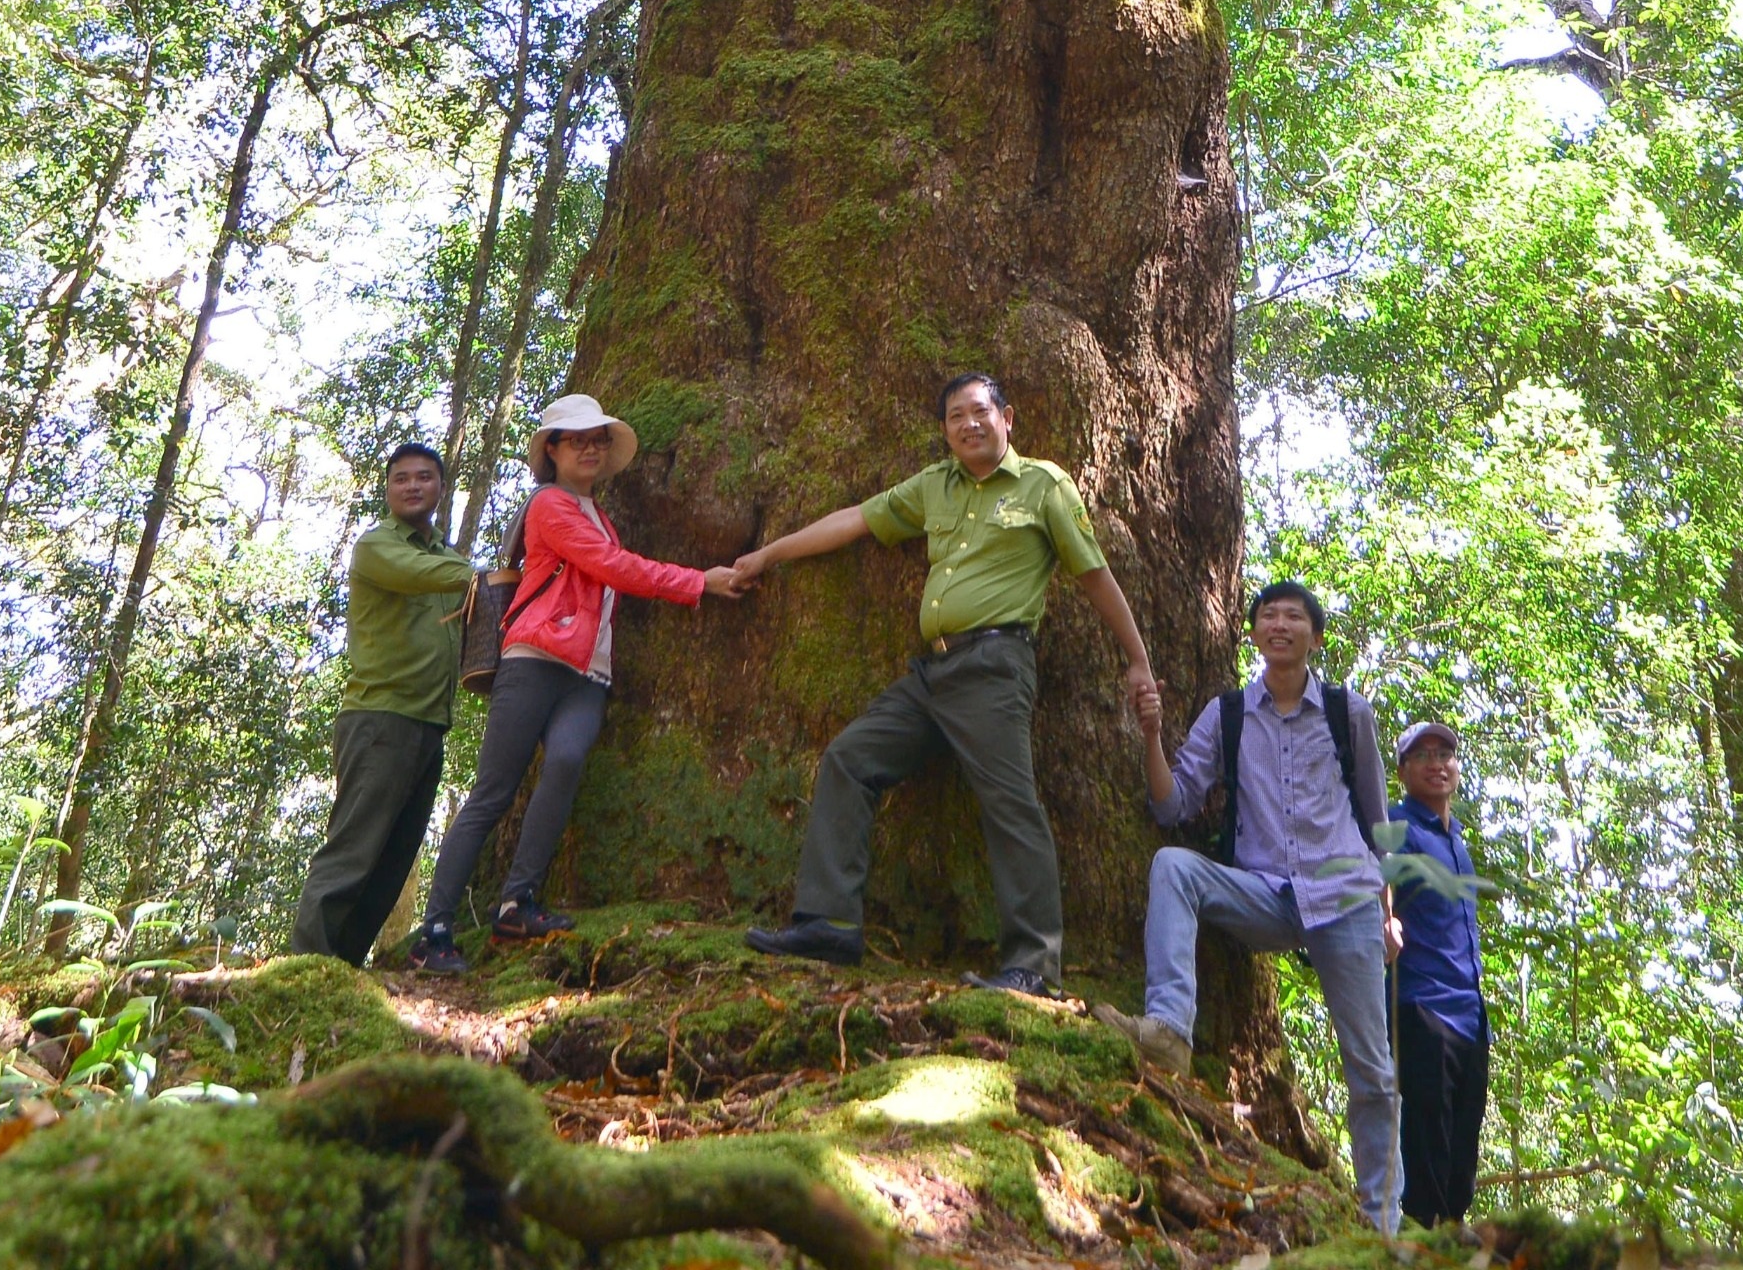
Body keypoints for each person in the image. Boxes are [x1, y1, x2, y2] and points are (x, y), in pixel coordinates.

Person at [737, 372, 1155, 1000]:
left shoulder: (1043, 484)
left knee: (1010, 803)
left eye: (980, 411)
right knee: (850, 759)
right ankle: (828, 924)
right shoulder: (936, 485)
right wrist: (766, 556)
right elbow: (856, 519)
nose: (969, 424)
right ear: (946, 432)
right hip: (930, 673)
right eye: (956, 416)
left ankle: (1033, 967)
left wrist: (1138, 660)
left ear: (1006, 418)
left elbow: (1093, 574)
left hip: (994, 666)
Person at [1095, 580, 1402, 1232]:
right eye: (1269, 615)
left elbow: (1379, 829)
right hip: (1266, 893)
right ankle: (1168, 1030)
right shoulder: (1229, 713)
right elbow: (1171, 805)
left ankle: (1381, 1225)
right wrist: (1151, 735)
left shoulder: (1350, 714)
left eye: (1295, 617)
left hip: (1347, 902)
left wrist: (1389, 910)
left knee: (1373, 1073)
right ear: (1255, 634)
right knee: (1173, 865)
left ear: (1315, 637)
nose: (1281, 625)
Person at [408, 394, 745, 974]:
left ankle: (517, 901)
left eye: (598, 440)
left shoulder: (600, 517)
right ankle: (434, 927)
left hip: (588, 673)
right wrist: (699, 582)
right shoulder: (550, 505)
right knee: (493, 792)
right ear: (553, 452)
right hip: (535, 658)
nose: (589, 448)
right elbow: (616, 569)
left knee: (564, 764)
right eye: (575, 440)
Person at [291, 443, 474, 965]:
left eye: (424, 477)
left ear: (441, 487)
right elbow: (425, 576)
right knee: (354, 848)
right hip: (380, 717)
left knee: (394, 858)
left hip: (429, 722)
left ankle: (342, 967)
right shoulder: (378, 547)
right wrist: (484, 576)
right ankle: (307, 966)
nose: (413, 486)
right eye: (401, 479)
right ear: (388, 489)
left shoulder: (447, 557)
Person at [1388, 720, 1489, 1230]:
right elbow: (1365, 882)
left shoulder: (1457, 842)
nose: (1436, 763)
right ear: (1404, 770)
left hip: (1470, 1011)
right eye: (1423, 755)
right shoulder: (1396, 828)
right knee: (1427, 1129)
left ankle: (1453, 1230)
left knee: (1465, 1127)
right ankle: (1424, 1231)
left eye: (1445, 754)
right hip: (1422, 1002)